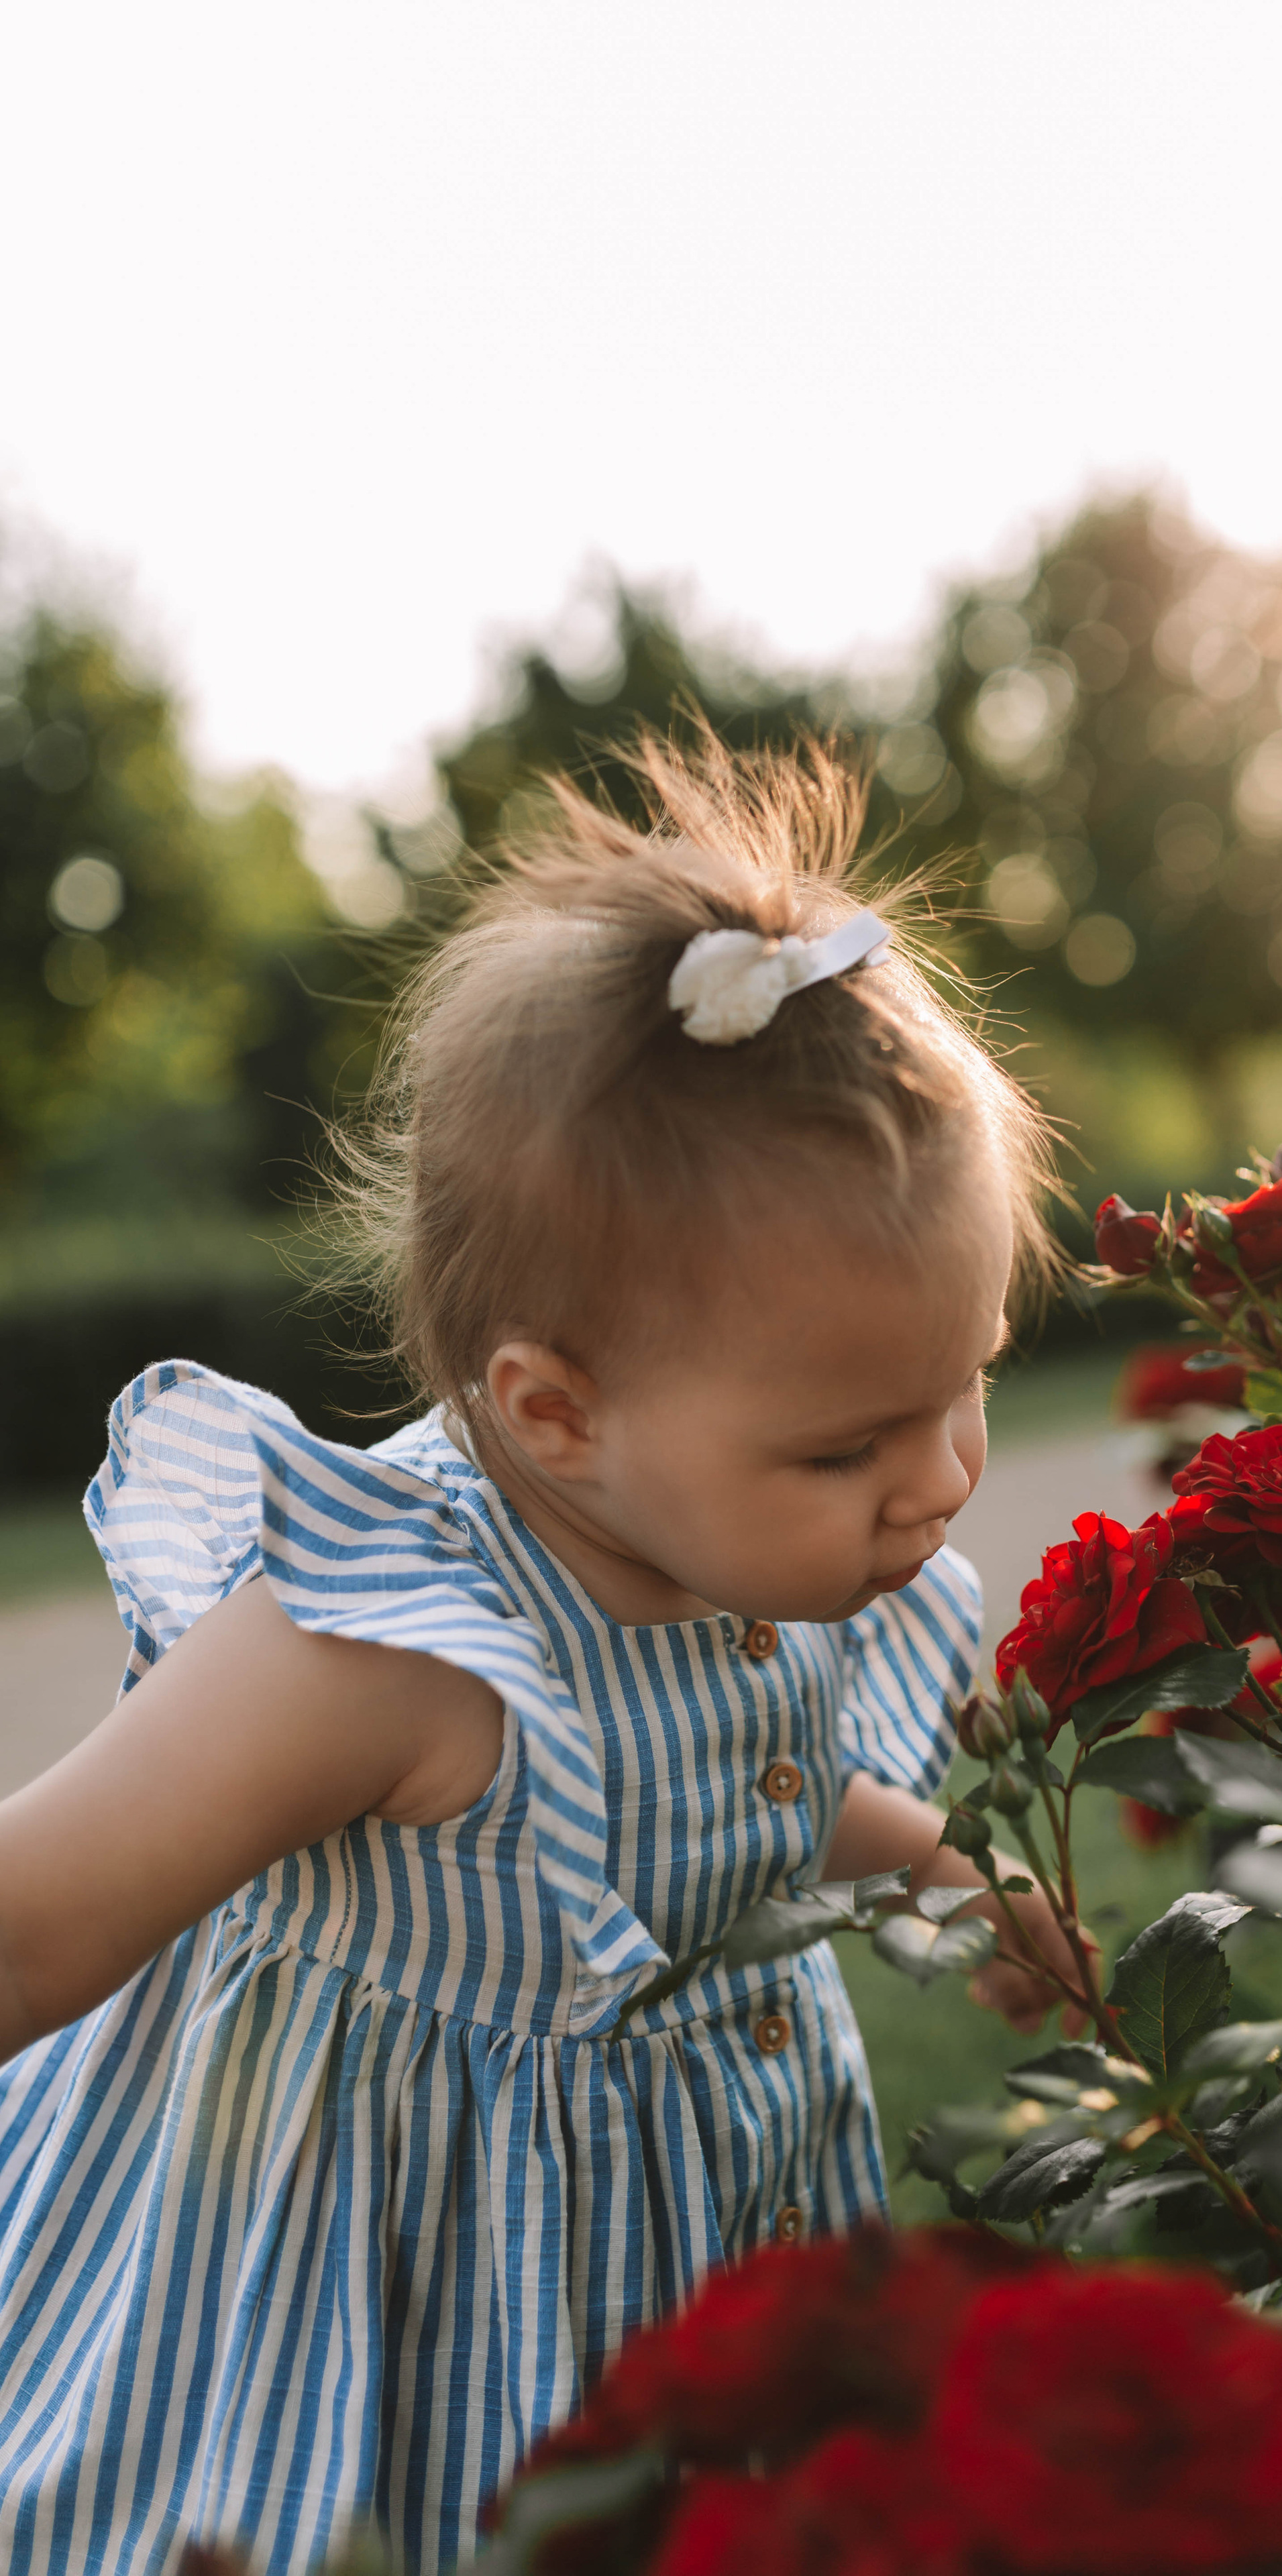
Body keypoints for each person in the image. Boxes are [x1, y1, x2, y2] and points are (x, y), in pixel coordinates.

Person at [0, 740, 1089, 2576]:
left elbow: (749, 1789)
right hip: (388, 2295)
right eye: (847, 1447)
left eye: (964, 1381)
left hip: (693, 2247)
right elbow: (41, 1913)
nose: (939, 1484)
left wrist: (938, 1870)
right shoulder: (383, 1645)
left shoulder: (742, 1547)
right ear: (557, 1414)